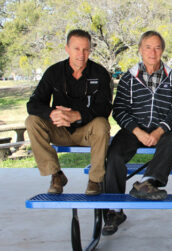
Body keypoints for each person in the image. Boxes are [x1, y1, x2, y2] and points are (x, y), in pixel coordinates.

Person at [102, 31, 172, 235]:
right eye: (147, 47)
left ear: (162, 50)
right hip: (133, 130)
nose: (152, 52)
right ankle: (114, 211)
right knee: (114, 156)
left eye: (157, 47)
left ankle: (147, 183)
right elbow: (119, 110)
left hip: (160, 130)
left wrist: (158, 131)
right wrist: (137, 131)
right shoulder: (129, 77)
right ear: (140, 49)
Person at [25, 29, 112, 196]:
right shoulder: (54, 72)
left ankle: (95, 180)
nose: (81, 54)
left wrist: (78, 115)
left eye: (86, 49)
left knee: (102, 124)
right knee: (32, 121)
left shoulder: (100, 73)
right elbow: (33, 104)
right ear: (67, 49)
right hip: (60, 129)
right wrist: (52, 113)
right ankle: (56, 175)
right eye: (76, 49)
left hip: (88, 132)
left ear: (90, 50)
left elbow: (105, 108)